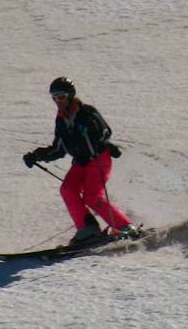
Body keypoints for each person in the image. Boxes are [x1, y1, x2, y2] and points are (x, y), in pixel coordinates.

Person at [23, 77, 138, 244]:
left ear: (70, 96)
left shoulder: (87, 112)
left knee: (92, 196)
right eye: (54, 98)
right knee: (68, 189)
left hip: (98, 157)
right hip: (81, 162)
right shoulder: (61, 120)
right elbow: (59, 149)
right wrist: (36, 155)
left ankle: (124, 227)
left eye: (60, 97)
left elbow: (105, 132)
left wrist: (93, 132)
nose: (57, 101)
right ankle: (88, 229)